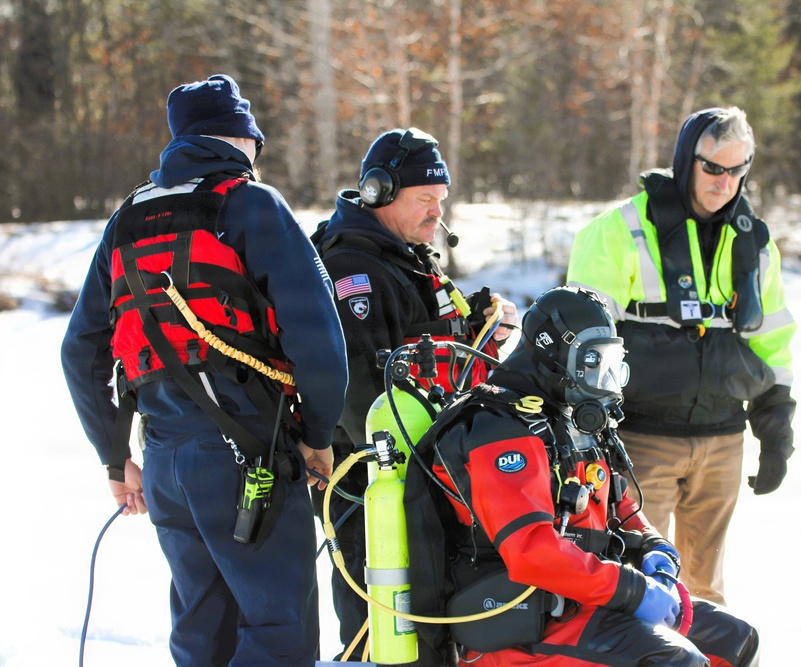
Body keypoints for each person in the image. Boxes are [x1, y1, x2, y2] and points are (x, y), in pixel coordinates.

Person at [61, 74, 348, 666]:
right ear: (241, 141)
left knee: (201, 631)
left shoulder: (126, 220)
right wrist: (319, 438)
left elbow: (80, 351)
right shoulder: (251, 205)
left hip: (166, 462)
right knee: (277, 630)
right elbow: (318, 340)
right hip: (251, 456)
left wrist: (116, 459)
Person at [404, 286, 759, 667]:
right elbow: (532, 552)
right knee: (672, 660)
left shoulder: (573, 418)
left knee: (734, 639)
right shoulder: (498, 429)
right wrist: (633, 591)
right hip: (521, 623)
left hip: (587, 600)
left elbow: (622, 510)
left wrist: (655, 550)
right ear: (555, 354)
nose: (601, 377)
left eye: (610, 362)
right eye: (592, 360)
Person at [566, 106, 797, 605]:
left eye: (737, 170)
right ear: (685, 160)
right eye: (713, 167)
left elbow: (772, 337)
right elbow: (580, 338)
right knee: (641, 590)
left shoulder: (752, 241)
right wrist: (584, 434)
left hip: (722, 440)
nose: (724, 182)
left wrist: (776, 426)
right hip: (641, 439)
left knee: (706, 593)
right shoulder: (619, 229)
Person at [311, 126, 518, 658]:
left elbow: (421, 355)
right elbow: (362, 398)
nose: (436, 212)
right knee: (381, 630)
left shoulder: (405, 255)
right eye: (424, 199)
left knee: (427, 630)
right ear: (380, 192)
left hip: (422, 476)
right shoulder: (350, 269)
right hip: (373, 484)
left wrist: (477, 333)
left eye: (440, 201)